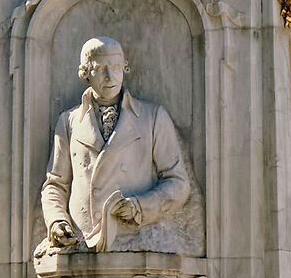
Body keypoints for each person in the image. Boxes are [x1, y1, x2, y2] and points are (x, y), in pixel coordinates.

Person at [40, 36, 191, 253]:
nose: (110, 76)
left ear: (125, 68)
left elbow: (178, 183)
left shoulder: (153, 117)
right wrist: (56, 220)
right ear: (85, 72)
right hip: (81, 242)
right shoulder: (69, 121)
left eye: (116, 67)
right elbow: (55, 184)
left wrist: (140, 206)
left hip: (134, 238)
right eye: (100, 68)